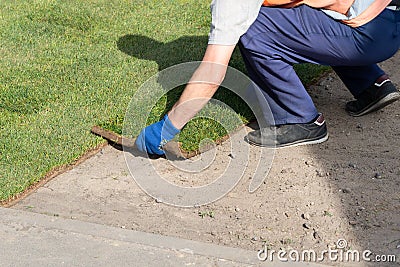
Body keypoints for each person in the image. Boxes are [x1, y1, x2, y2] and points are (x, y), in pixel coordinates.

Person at [135, 0, 400, 155]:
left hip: (371, 34)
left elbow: (213, 69)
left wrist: (166, 129)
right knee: (309, 13)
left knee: (255, 29)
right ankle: (371, 84)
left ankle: (300, 119)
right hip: (388, 15)